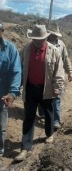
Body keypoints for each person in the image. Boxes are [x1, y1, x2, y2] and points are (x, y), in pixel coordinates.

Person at [15, 24, 65, 161]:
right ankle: (25, 147)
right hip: (30, 88)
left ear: (45, 38)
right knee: (29, 117)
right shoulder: (25, 49)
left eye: (39, 39)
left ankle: (49, 134)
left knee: (48, 113)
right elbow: (18, 68)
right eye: (34, 39)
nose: (37, 42)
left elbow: (59, 71)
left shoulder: (54, 51)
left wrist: (57, 86)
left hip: (46, 88)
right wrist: (16, 87)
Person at [38, 23, 72, 129]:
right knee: (42, 96)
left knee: (57, 98)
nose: (55, 37)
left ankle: (56, 121)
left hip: (58, 75)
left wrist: (70, 72)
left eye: (56, 35)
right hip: (44, 75)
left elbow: (66, 58)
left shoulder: (61, 44)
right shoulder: (42, 44)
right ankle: (43, 113)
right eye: (53, 35)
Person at [0, 21, 22, 170]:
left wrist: (13, 93)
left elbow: (16, 71)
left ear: (1, 32)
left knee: (1, 126)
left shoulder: (10, 49)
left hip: (2, 95)